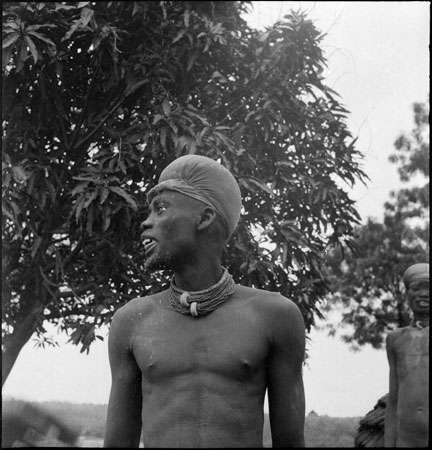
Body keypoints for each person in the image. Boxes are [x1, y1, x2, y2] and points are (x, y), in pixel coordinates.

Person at [103, 154, 306, 448]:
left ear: (205, 218)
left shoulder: (275, 316)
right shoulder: (131, 320)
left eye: (161, 208)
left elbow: (290, 443)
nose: (146, 223)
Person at [384, 263, 429, 447]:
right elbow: (394, 399)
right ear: (407, 293)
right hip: (407, 440)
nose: (424, 294)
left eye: (428, 288)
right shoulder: (395, 339)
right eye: (416, 288)